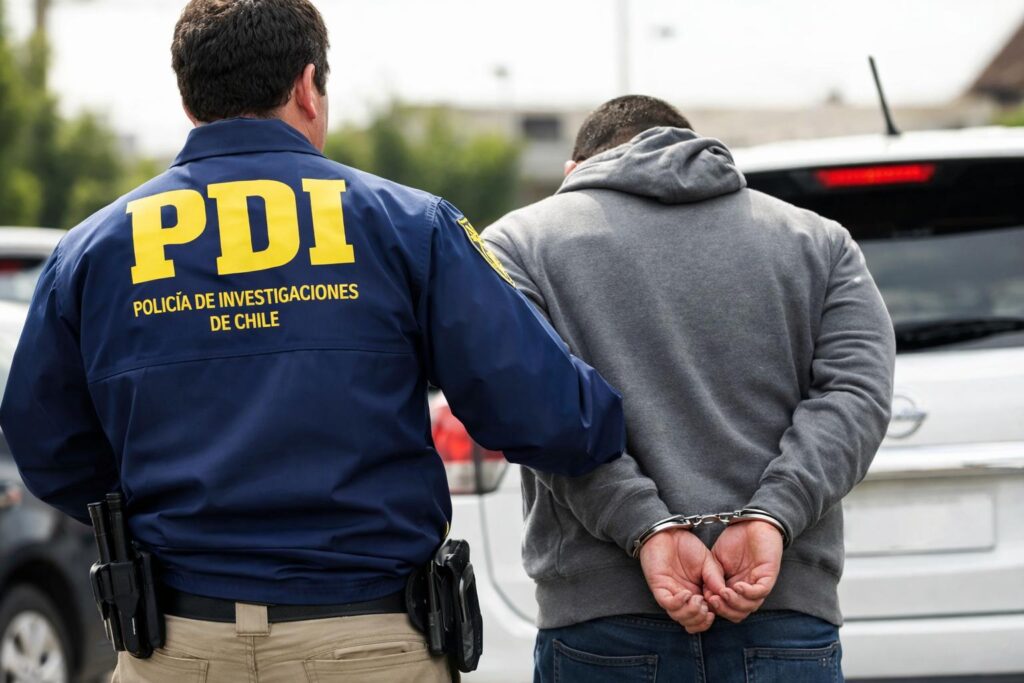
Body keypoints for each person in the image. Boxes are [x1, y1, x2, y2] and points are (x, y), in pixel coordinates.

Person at [0, 2, 627, 681]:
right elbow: (553, 414)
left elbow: (46, 447)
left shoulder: (92, 251)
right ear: (307, 87)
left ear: (189, 99)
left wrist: (163, 511)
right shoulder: (409, 227)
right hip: (368, 645)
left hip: (177, 646)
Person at [483, 95, 896, 682]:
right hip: (781, 609)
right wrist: (772, 516)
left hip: (603, 626)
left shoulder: (517, 244)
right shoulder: (819, 241)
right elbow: (855, 396)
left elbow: (531, 405)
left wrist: (644, 525)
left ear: (573, 172)